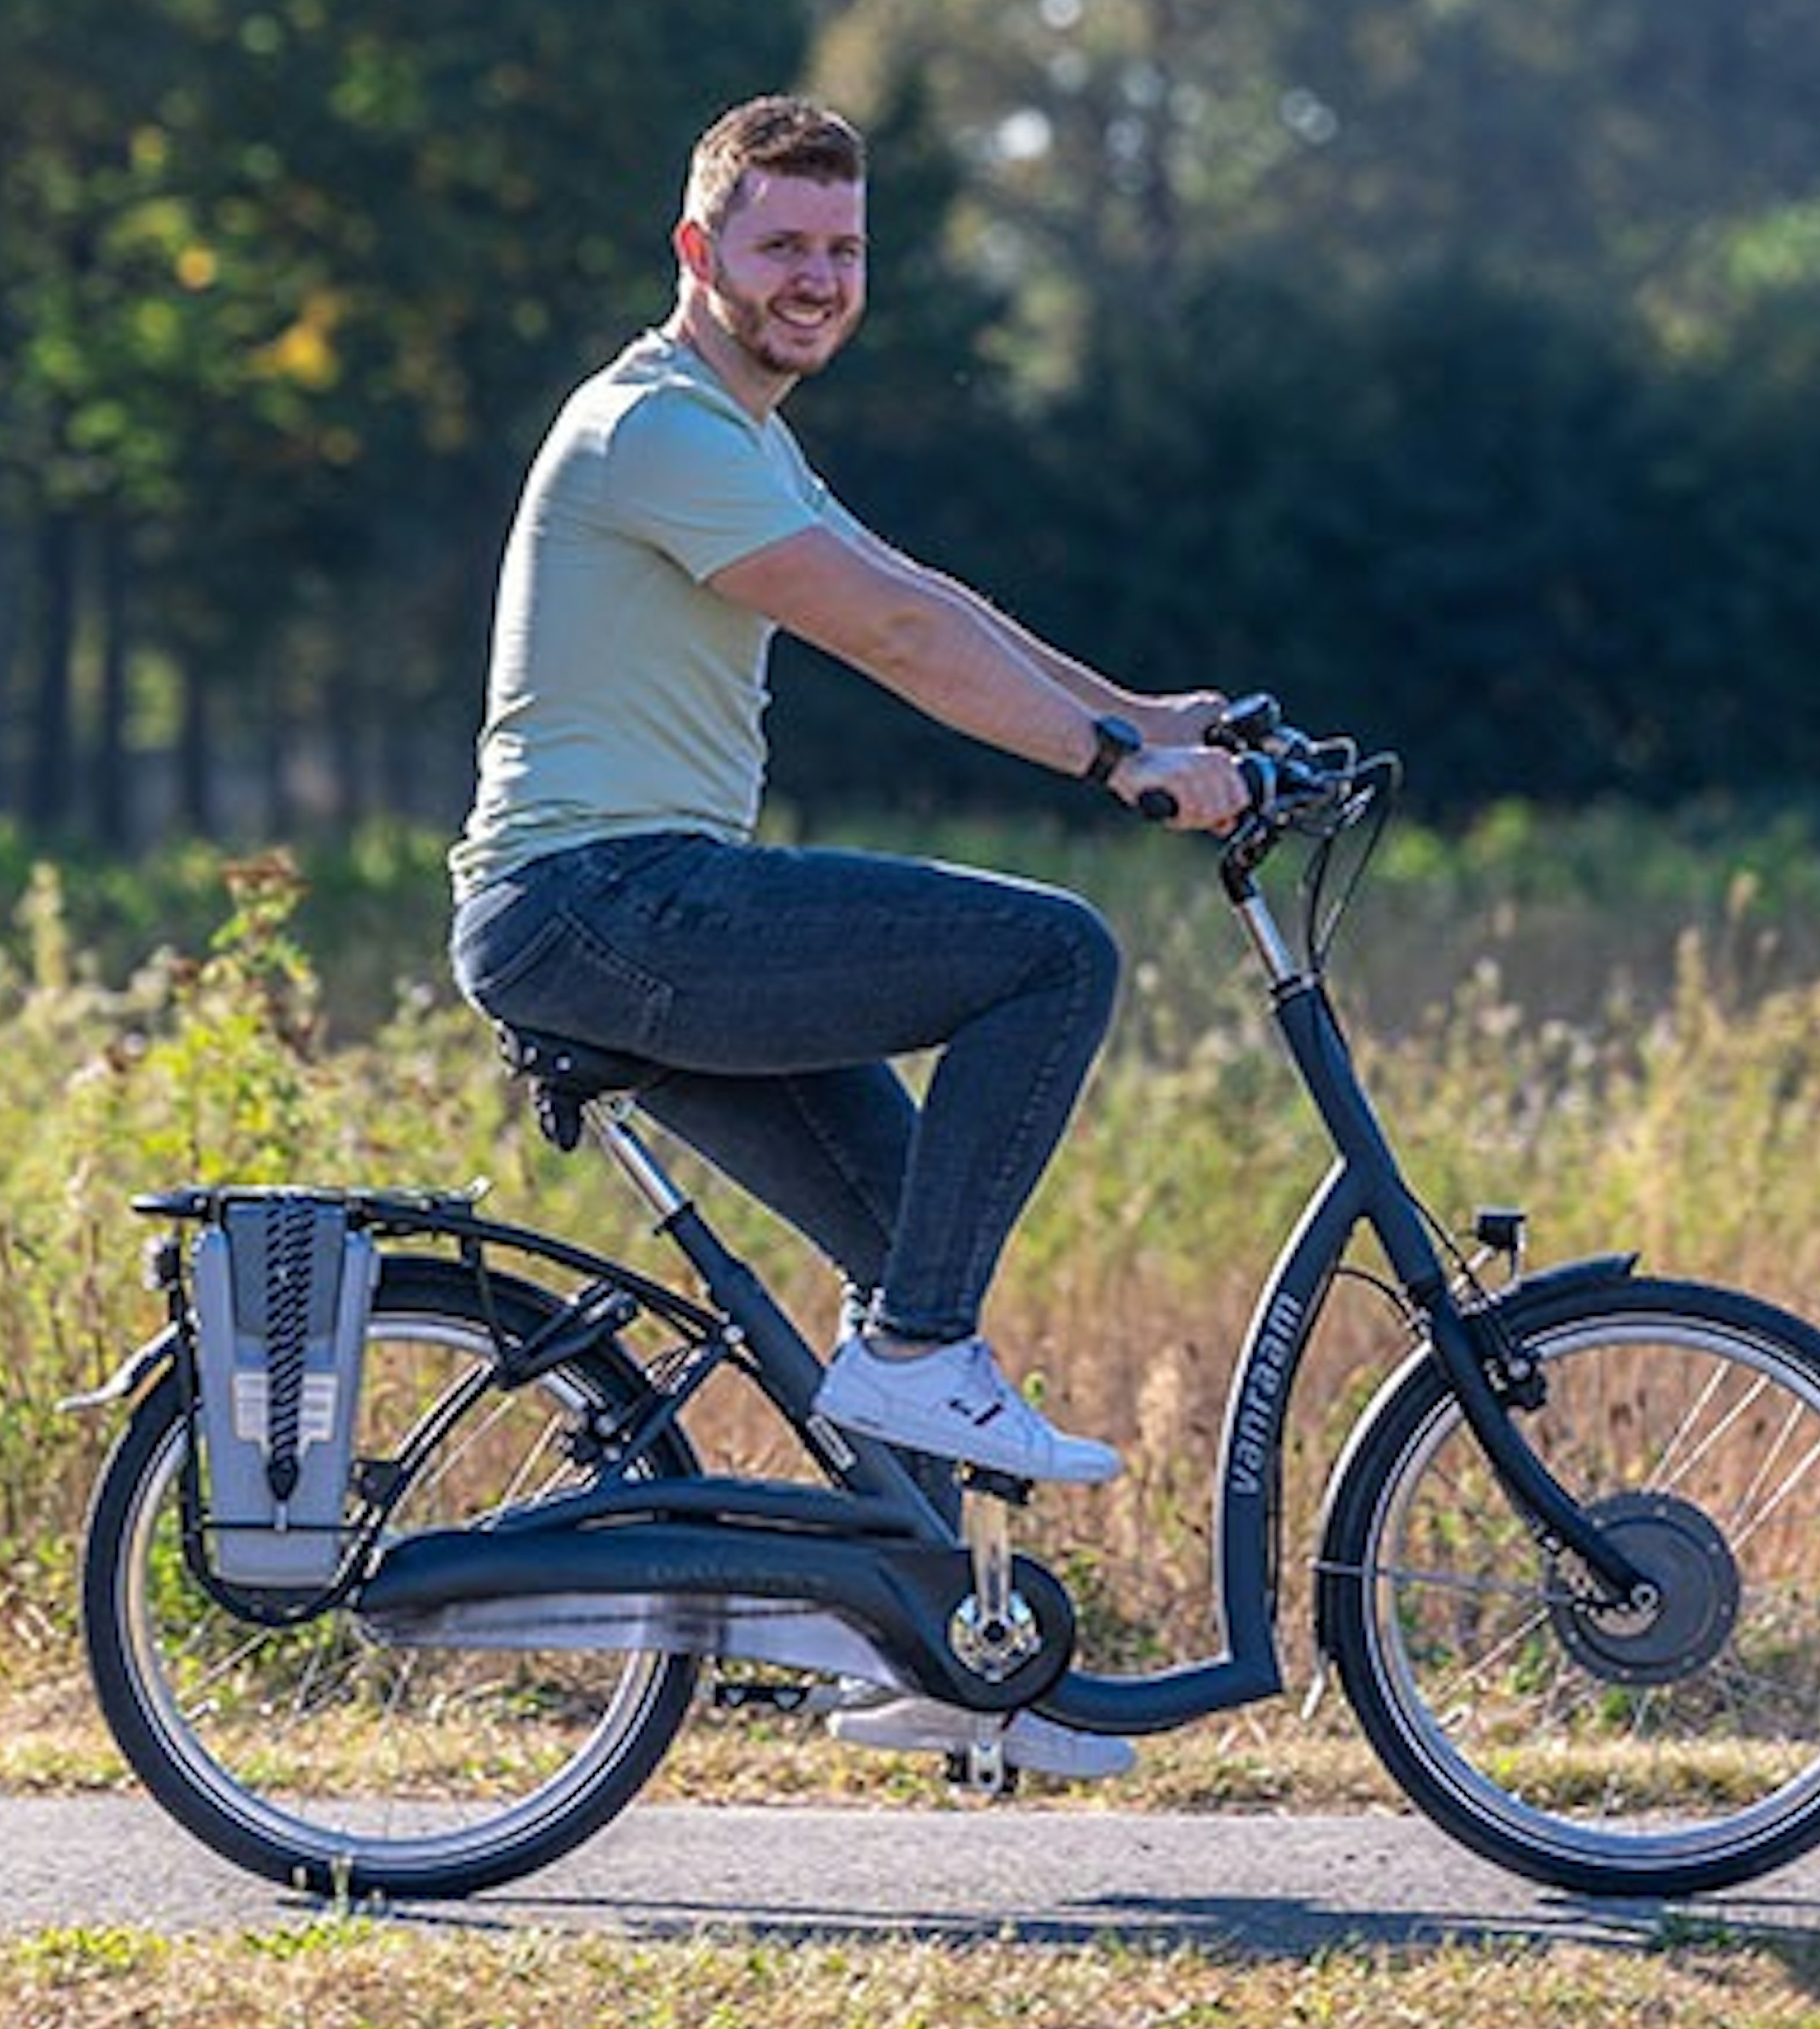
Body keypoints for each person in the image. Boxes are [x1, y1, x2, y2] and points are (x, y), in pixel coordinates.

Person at [447, 99, 1247, 1771]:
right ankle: (913, 1361)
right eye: (782, 247)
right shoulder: (654, 426)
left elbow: (922, 587)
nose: (818, 280)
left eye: (842, 250)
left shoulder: (737, 432)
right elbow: (883, 633)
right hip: (602, 899)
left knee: (906, 1243)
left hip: (614, 910)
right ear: (699, 255)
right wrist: (1116, 771)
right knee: (1055, 957)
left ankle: (949, 1671)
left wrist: (1146, 709)